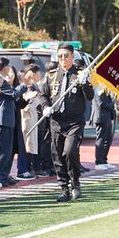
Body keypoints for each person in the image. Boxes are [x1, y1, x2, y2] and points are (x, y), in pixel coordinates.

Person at [38, 43, 94, 202]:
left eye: (66, 56)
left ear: (72, 56)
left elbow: (90, 97)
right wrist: (45, 106)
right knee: (57, 155)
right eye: (60, 56)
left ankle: (75, 182)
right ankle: (64, 188)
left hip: (74, 122)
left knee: (69, 152)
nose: (63, 59)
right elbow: (43, 94)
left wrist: (85, 83)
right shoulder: (51, 75)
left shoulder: (80, 75)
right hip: (56, 121)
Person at [0, 58, 30, 186]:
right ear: (5, 67)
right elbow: (13, 93)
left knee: (7, 151)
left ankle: (4, 174)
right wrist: (24, 85)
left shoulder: (2, 79)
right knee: (1, 150)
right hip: (2, 119)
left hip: (8, 119)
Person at [92, 87, 116, 170]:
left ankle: (104, 160)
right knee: (101, 140)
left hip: (108, 117)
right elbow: (101, 103)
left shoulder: (106, 89)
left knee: (108, 140)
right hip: (101, 118)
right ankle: (98, 162)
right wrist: (112, 103)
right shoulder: (98, 88)